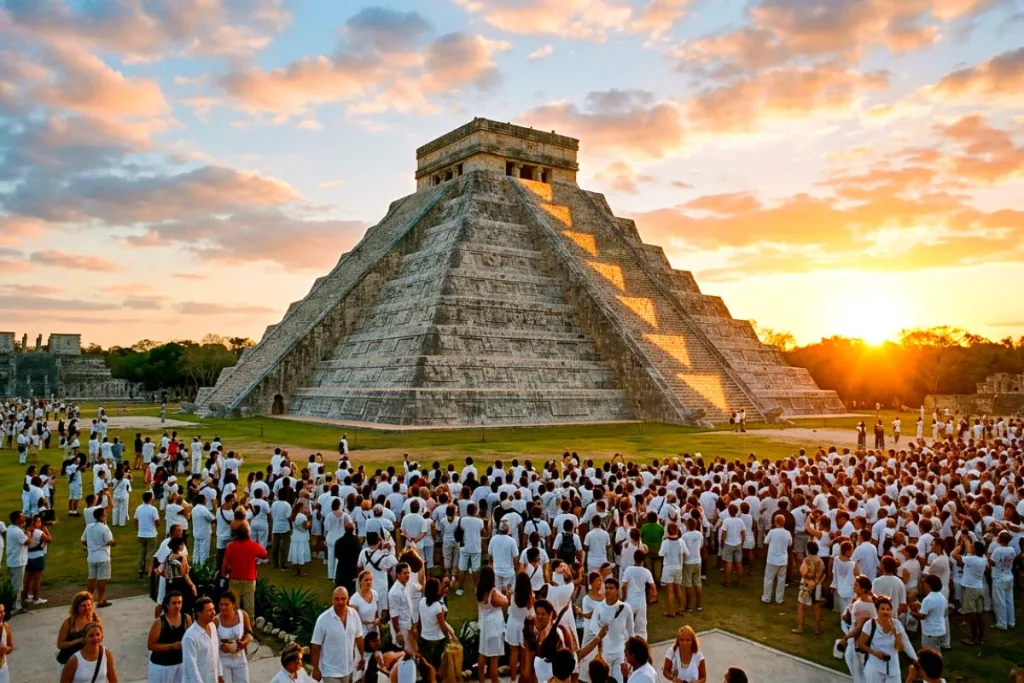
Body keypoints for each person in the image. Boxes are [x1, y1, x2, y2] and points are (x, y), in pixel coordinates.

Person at [310, 587, 365, 683]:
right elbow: (315, 646)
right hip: (330, 672)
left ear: (348, 599)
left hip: (348, 670)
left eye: (343, 598)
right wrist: (315, 668)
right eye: (337, 599)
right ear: (332, 599)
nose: (340, 602)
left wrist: (362, 657)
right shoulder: (323, 620)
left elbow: (359, 637)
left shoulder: (354, 615)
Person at [857, 596, 917, 683]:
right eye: (882, 609)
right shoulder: (870, 624)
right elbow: (861, 644)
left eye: (888, 609)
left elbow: (900, 648)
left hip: (893, 669)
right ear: (877, 610)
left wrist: (895, 634)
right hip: (874, 667)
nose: (885, 612)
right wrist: (875, 653)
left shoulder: (897, 624)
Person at [593, 578, 635, 683]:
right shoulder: (599, 607)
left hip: (620, 653)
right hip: (605, 654)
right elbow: (593, 629)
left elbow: (631, 632)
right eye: (606, 588)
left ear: (617, 590)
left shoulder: (625, 607)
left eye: (611, 588)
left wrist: (631, 654)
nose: (607, 590)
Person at [220, 525, 267, 617]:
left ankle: (235, 625)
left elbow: (225, 564)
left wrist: (223, 575)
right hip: (249, 579)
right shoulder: (253, 545)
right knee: (249, 605)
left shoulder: (231, 546)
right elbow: (264, 554)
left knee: (234, 606)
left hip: (234, 579)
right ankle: (249, 627)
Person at [148, 591, 192, 683]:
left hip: (181, 664)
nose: (177, 606)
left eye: (179, 602)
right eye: (174, 603)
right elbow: (151, 645)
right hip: (162, 666)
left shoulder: (186, 618)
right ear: (167, 605)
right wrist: (171, 646)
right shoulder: (160, 622)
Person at [951, 538, 987, 646]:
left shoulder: (972, 560)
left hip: (971, 589)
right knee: (979, 614)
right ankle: (981, 636)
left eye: (972, 547)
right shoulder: (983, 558)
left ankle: (974, 638)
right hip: (979, 588)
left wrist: (958, 548)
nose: (970, 548)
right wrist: (968, 546)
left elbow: (955, 555)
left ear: (975, 550)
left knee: (971, 614)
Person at [476, 565, 509, 683]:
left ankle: (481, 680)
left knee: (483, 654)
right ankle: (494, 680)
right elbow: (505, 602)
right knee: (494, 658)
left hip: (484, 625)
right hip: (494, 626)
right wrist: (506, 594)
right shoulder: (493, 593)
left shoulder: (479, 591)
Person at [57, 592, 102, 672]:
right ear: (76, 607)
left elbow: (100, 636)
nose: (87, 608)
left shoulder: (94, 618)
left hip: (86, 660)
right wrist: (79, 640)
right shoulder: (69, 623)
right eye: (83, 606)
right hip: (67, 661)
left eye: (89, 605)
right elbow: (60, 644)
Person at [81, 507, 115, 608]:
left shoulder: (89, 526)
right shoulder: (104, 527)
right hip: (103, 557)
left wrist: (90, 546)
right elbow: (109, 541)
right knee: (102, 579)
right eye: (105, 514)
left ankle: (88, 600)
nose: (106, 515)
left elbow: (83, 540)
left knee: (91, 579)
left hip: (91, 557)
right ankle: (100, 600)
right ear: (101, 516)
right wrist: (114, 542)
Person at [182, 597, 222, 683]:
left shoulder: (213, 626)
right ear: (199, 613)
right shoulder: (190, 636)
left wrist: (219, 674)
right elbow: (191, 666)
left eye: (213, 609)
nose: (213, 613)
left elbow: (216, 653)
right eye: (209, 610)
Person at [216, 590, 253, 683]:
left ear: (233, 604)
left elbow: (249, 632)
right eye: (221, 604)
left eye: (226, 604)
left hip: (240, 657)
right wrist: (220, 645)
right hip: (223, 659)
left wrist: (244, 642)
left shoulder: (243, 615)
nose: (223, 607)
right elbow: (212, 640)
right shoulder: (216, 620)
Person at [418, 577, 452, 668]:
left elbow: (420, 621)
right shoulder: (437, 606)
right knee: (437, 662)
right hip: (437, 639)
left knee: (427, 663)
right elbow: (442, 625)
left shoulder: (421, 602)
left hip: (424, 637)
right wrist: (448, 638)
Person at [620, 550, 655, 640]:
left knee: (627, 625)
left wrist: (624, 597)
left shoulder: (628, 570)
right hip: (641, 602)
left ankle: (627, 644)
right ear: (643, 559)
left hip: (630, 601)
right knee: (641, 627)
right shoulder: (646, 572)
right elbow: (653, 588)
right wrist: (652, 598)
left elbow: (624, 586)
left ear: (634, 558)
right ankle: (643, 644)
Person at [908, 574, 948, 652]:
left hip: (930, 631)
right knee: (936, 651)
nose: (923, 586)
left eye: (924, 583)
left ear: (928, 585)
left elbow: (922, 616)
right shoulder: (942, 597)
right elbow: (944, 612)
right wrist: (920, 606)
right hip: (939, 629)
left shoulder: (928, 599)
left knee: (930, 653)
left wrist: (912, 613)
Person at [761, 514, 790, 605]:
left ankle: (766, 597)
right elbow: (790, 543)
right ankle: (779, 599)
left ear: (775, 522)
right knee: (781, 579)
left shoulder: (772, 532)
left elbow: (766, 541)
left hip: (772, 559)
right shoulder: (787, 533)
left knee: (769, 578)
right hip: (783, 559)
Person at [5, 511, 29, 615]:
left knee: (17, 584)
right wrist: (28, 534)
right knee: (17, 585)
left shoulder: (11, 529)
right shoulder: (17, 532)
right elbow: (28, 542)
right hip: (17, 562)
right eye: (22, 517)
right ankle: (15, 607)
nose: (24, 519)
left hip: (14, 561)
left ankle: (15, 604)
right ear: (16, 519)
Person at [135, 492, 161, 577]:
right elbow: (157, 522)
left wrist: (138, 529)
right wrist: (156, 527)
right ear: (151, 499)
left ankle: (140, 570)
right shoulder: (153, 509)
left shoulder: (139, 508)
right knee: (150, 554)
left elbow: (136, 520)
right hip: (151, 534)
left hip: (141, 534)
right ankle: (148, 571)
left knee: (142, 553)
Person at [288, 502, 312, 577]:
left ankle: (295, 571)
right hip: (302, 536)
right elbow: (305, 526)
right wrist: (309, 522)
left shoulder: (293, 515)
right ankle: (301, 571)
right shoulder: (302, 516)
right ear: (300, 508)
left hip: (295, 535)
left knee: (295, 552)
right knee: (301, 553)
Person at [0, 602, 12, 683]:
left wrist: (5, 649)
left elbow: (10, 646)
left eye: (3, 611)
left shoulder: (6, 626)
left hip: (3, 670)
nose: (2, 614)